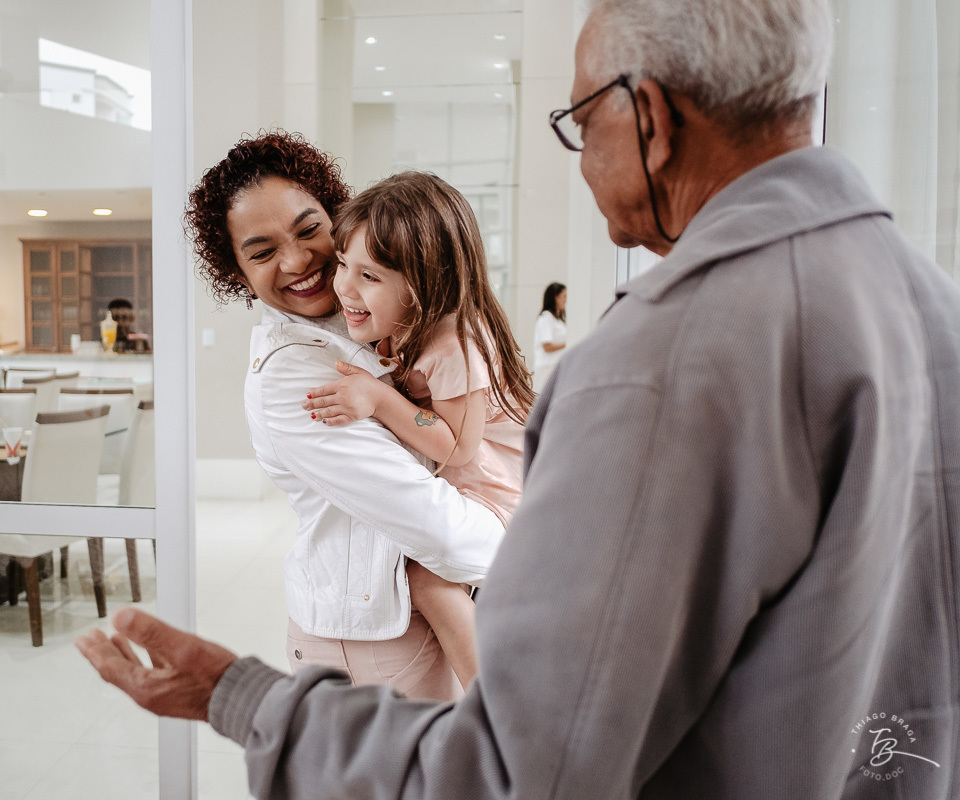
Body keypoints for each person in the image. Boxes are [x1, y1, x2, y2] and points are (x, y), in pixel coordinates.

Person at [78, 1, 960, 797]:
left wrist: (241, 695)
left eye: (580, 120)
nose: (579, 161)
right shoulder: (932, 308)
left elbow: (521, 767)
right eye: (264, 251)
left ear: (648, 118)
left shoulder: (651, 365)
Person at [181, 132, 505, 701]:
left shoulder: (385, 323)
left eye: (309, 230)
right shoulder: (291, 376)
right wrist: (532, 542)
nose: (299, 261)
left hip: (418, 624)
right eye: (261, 252)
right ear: (235, 272)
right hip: (374, 645)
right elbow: (438, 529)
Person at [303, 171, 533, 688]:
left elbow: (455, 447)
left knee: (427, 582)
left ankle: (492, 705)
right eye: (343, 264)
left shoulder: (455, 344)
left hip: (498, 487)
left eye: (369, 276)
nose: (343, 286)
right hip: (472, 479)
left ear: (427, 282)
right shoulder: (401, 326)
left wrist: (379, 397)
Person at [532, 281, 567, 386]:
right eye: (564, 296)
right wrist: (569, 343)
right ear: (556, 297)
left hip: (554, 367)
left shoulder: (558, 319)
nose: (566, 300)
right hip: (546, 368)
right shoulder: (546, 318)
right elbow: (547, 346)